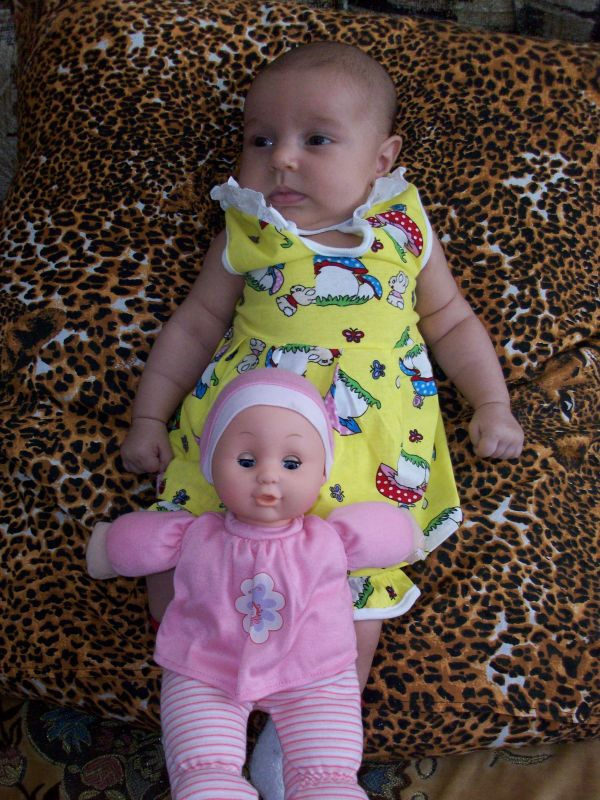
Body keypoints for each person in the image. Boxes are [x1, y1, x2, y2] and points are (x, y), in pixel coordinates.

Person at [119, 40, 523, 796]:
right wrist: (149, 417)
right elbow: (195, 325)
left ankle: (301, 742)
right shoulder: (250, 231)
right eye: (260, 139)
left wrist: (491, 402)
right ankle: (202, 697)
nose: (282, 159)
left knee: (355, 584)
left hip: (361, 454)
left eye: (317, 139)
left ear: (382, 158)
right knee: (178, 548)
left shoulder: (405, 231)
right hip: (241, 441)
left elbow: (452, 320)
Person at [87, 369, 425, 800]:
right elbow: (136, 543)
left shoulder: (332, 537)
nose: (268, 476)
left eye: (291, 463)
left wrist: (407, 535)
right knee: (203, 771)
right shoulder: (191, 534)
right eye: (246, 461)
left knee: (329, 777)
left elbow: (388, 534)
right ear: (211, 466)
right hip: (205, 670)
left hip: (315, 674)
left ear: (322, 473)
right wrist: (108, 547)